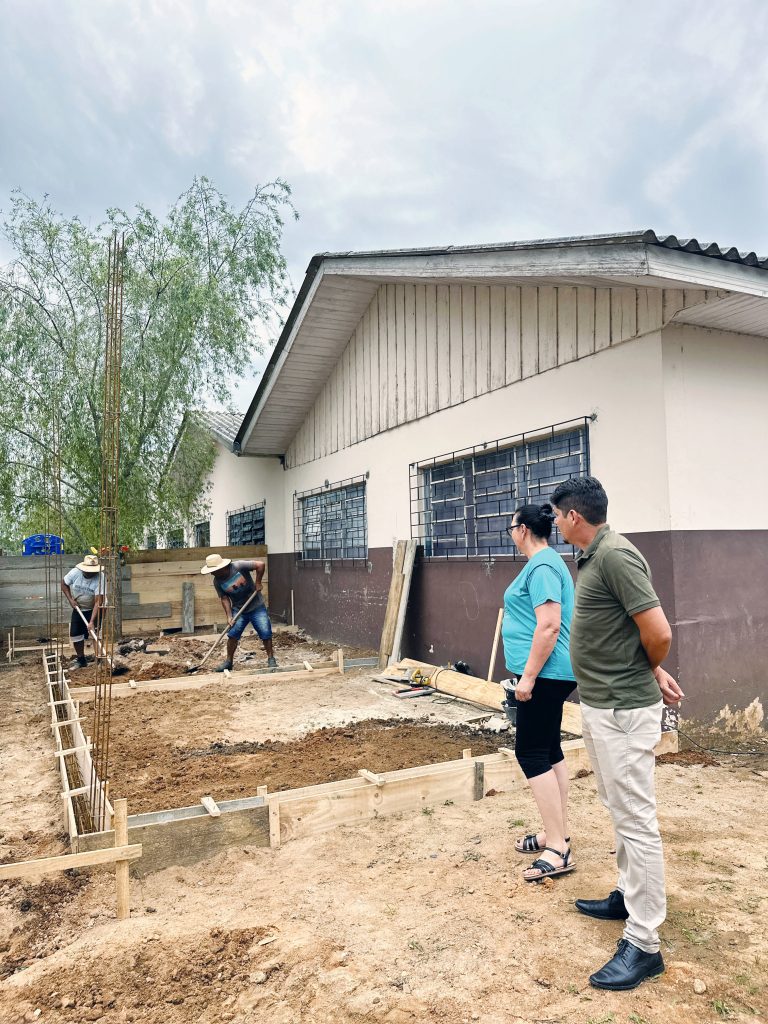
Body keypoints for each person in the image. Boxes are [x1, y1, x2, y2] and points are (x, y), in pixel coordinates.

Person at [551, 476, 684, 992]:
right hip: (605, 706)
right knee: (618, 807)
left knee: (636, 819)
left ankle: (645, 943)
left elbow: (659, 632)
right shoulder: (592, 555)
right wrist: (649, 670)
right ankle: (630, 896)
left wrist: (645, 672)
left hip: (624, 711)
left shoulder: (616, 557)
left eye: (558, 514)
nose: (556, 521)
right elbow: (625, 629)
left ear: (574, 517)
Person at [502, 503, 577, 882]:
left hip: (546, 674)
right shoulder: (544, 564)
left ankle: (559, 850)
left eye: (510, 528)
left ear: (523, 530)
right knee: (549, 750)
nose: (511, 535)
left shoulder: (544, 565)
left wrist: (527, 678)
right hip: (550, 672)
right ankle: (556, 832)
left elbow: (549, 626)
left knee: (529, 752)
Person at [200, 554, 277, 671]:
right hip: (239, 610)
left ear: (221, 568)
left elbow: (260, 565)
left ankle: (271, 659)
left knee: (265, 632)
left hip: (256, 606)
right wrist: (229, 616)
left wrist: (258, 582)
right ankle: (228, 662)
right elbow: (224, 598)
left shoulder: (238, 566)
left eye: (214, 570)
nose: (212, 573)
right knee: (232, 635)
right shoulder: (217, 581)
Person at [61, 554, 106, 669]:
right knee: (75, 634)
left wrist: (91, 621)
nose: (91, 573)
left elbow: (98, 602)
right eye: (89, 571)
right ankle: (81, 660)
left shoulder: (100, 578)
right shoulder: (75, 573)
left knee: (94, 633)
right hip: (79, 607)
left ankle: (99, 661)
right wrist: (71, 600)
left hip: (96, 608)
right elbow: (64, 584)